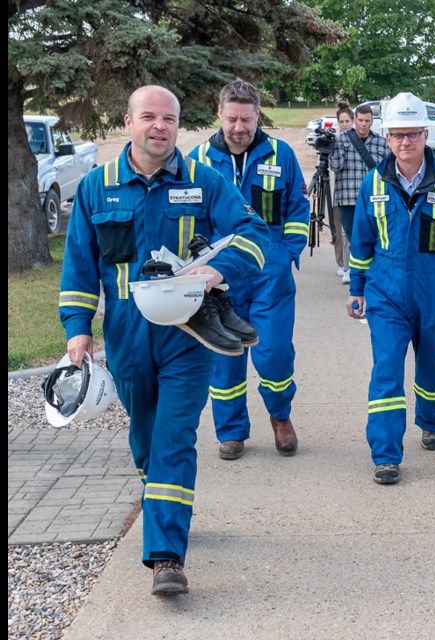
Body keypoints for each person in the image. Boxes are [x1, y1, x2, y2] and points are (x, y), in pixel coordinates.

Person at [58, 85, 269, 595]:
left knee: (174, 437)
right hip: (128, 338)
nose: (159, 126)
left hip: (188, 334)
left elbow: (254, 234)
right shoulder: (97, 187)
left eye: (169, 119)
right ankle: (165, 509)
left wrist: (215, 272)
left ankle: (166, 557)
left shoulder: (203, 180)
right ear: (127, 122)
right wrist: (78, 329)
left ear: (179, 126)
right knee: (147, 441)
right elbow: (80, 265)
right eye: (148, 117)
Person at [346, 93, 435, 485]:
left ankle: (431, 420)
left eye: (413, 134)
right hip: (385, 292)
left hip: (434, 292)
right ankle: (386, 454)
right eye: (397, 135)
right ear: (387, 138)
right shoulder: (373, 182)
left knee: (434, 367)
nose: (405, 142)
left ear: (426, 135)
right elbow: (362, 242)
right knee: (386, 371)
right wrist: (357, 288)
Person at [189, 79, 309, 461]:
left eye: (246, 119)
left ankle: (280, 417)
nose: (239, 128)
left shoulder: (281, 154)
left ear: (258, 115)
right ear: (219, 115)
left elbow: (297, 208)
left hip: (269, 279)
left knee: (274, 355)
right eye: (231, 119)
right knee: (224, 359)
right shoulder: (199, 160)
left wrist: (286, 253)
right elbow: (188, 219)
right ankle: (231, 431)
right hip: (218, 281)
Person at [330, 103, 389, 285]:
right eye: (360, 120)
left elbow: (387, 170)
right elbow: (335, 166)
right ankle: (357, 275)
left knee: (375, 236)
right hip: (348, 197)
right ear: (355, 121)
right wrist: (334, 146)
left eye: (367, 121)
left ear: (372, 122)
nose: (363, 124)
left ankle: (374, 272)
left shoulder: (380, 142)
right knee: (353, 237)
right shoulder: (342, 140)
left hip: (375, 199)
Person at [331, 102, 354, 278]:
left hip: (350, 192)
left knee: (349, 231)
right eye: (341, 121)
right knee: (338, 231)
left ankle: (349, 266)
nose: (344, 124)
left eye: (347, 121)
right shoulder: (335, 141)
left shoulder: (357, 140)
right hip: (335, 190)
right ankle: (341, 263)